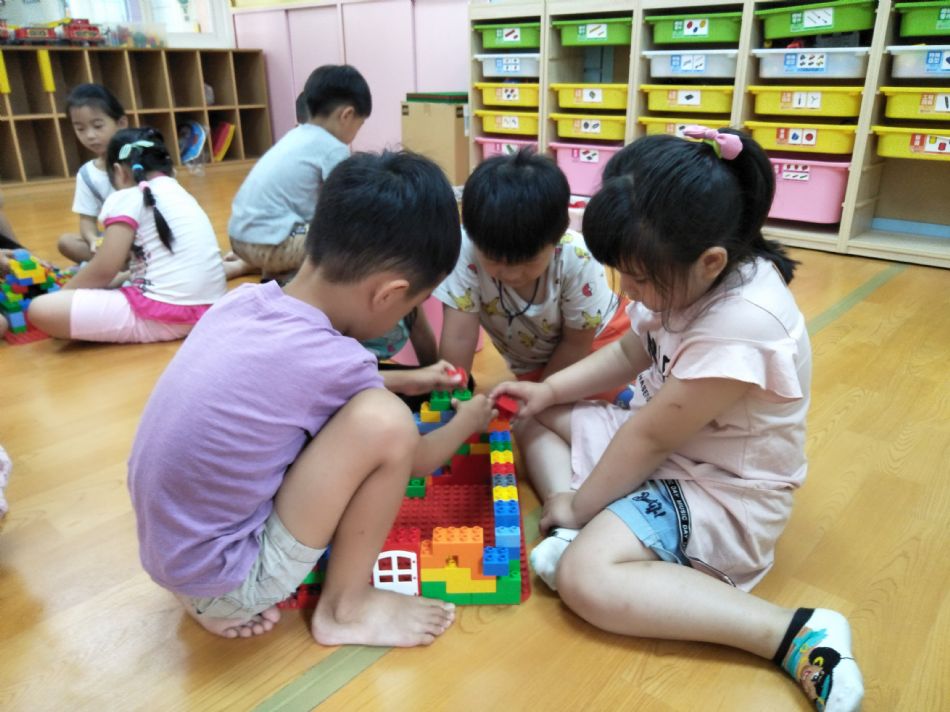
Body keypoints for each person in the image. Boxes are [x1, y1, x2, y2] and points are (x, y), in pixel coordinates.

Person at [491, 128, 864, 712]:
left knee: (587, 580)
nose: (627, 290)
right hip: (665, 451)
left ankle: (792, 632)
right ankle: (573, 524)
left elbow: (649, 437)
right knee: (535, 418)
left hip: (719, 491)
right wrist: (547, 391)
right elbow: (629, 352)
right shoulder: (685, 273)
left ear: (711, 260)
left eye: (638, 278)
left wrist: (583, 504)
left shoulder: (744, 324)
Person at [128, 150, 494, 645]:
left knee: (363, 411)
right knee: (386, 423)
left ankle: (206, 601)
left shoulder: (243, 302)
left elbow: (296, 385)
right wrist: (469, 419)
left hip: (173, 559)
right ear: (389, 294)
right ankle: (345, 610)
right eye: (412, 305)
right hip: (230, 578)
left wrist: (411, 380)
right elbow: (417, 456)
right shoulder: (339, 362)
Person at [435, 149, 629, 398]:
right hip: (533, 363)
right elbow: (460, 336)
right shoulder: (465, 250)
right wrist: (449, 398)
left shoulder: (577, 257)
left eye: (528, 261)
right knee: (539, 413)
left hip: (601, 338)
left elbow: (575, 343)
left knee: (610, 402)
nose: (512, 275)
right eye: (494, 260)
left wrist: (541, 396)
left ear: (556, 239)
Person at [28, 128, 227, 343]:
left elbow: (104, 270)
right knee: (115, 280)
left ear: (119, 172)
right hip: (210, 308)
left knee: (41, 308)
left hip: (164, 316)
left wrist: (64, 293)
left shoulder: (127, 197)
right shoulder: (181, 192)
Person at [223, 64, 372, 282]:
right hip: (270, 246)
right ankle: (286, 280)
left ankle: (250, 266)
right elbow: (345, 206)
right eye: (360, 125)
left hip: (241, 237)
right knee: (347, 239)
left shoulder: (296, 135)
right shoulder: (333, 148)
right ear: (347, 115)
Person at [57, 84, 128, 264]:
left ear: (121, 123)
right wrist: (93, 240)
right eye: (80, 129)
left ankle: (122, 268)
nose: (89, 135)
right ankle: (123, 267)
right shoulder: (87, 174)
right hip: (117, 246)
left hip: (147, 239)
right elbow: (86, 220)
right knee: (66, 242)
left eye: (97, 126)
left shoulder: (140, 159)